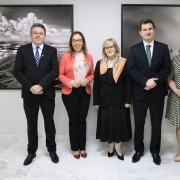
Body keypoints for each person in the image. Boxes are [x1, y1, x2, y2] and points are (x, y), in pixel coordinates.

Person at [127, 18, 171, 165]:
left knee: (156, 124)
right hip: (140, 93)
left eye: (150, 28)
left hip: (157, 93)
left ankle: (155, 151)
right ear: (140, 32)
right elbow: (131, 70)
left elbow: (166, 68)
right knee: (139, 123)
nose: (147, 31)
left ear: (154, 30)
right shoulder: (134, 50)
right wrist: (145, 81)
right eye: (144, 29)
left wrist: (154, 82)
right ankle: (138, 150)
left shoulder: (163, 48)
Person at [14, 23, 59, 165]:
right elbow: (18, 71)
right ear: (31, 35)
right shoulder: (22, 50)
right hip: (29, 94)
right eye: (35, 33)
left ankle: (52, 149)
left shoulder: (51, 50)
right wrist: (31, 87)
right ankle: (31, 152)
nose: (38, 35)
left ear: (45, 35)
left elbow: (54, 71)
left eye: (40, 33)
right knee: (31, 124)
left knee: (49, 122)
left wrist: (40, 85)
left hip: (47, 93)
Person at [93, 38, 132, 160]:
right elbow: (97, 84)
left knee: (119, 124)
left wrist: (128, 100)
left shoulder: (124, 62)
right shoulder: (99, 64)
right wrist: (96, 100)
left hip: (120, 100)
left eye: (111, 46)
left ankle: (118, 148)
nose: (109, 49)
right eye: (106, 47)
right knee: (107, 124)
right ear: (104, 50)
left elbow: (128, 83)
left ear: (116, 48)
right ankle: (111, 147)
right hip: (104, 100)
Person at [58, 31, 94, 159]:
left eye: (79, 40)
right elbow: (60, 75)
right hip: (70, 92)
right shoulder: (65, 56)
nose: (77, 42)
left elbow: (92, 74)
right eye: (74, 40)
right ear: (71, 43)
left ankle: (82, 146)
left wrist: (88, 80)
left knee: (82, 120)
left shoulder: (89, 57)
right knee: (73, 120)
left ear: (83, 42)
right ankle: (75, 148)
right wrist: (71, 82)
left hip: (85, 92)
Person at [165, 54, 180, 162]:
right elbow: (169, 77)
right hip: (178, 96)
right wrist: (176, 90)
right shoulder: (176, 59)